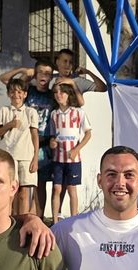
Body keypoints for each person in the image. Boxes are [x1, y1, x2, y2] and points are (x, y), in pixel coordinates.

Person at [0, 59, 57, 217]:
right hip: (23, 142)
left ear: (51, 76)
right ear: (35, 74)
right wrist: (23, 71)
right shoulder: (27, 90)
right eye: (41, 72)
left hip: (43, 144)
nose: (44, 75)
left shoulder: (53, 95)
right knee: (17, 185)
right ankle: (14, 217)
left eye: (48, 73)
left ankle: (38, 218)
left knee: (39, 183)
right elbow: (4, 79)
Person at [0, 78, 39, 216]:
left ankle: (22, 222)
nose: (16, 95)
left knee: (24, 193)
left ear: (25, 94)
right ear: (8, 94)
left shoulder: (31, 112)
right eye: (12, 92)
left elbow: (34, 135)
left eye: (19, 92)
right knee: (9, 192)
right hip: (8, 156)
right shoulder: (4, 110)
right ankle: (8, 221)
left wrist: (35, 158)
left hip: (26, 156)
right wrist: (10, 125)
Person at [49, 83, 92, 220]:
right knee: (57, 188)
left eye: (62, 92)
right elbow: (52, 135)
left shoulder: (78, 112)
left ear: (68, 95)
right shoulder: (54, 114)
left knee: (71, 189)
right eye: (56, 92)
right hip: (58, 158)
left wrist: (76, 149)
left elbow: (88, 134)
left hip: (74, 159)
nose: (58, 95)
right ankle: (55, 221)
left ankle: (74, 220)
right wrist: (52, 142)